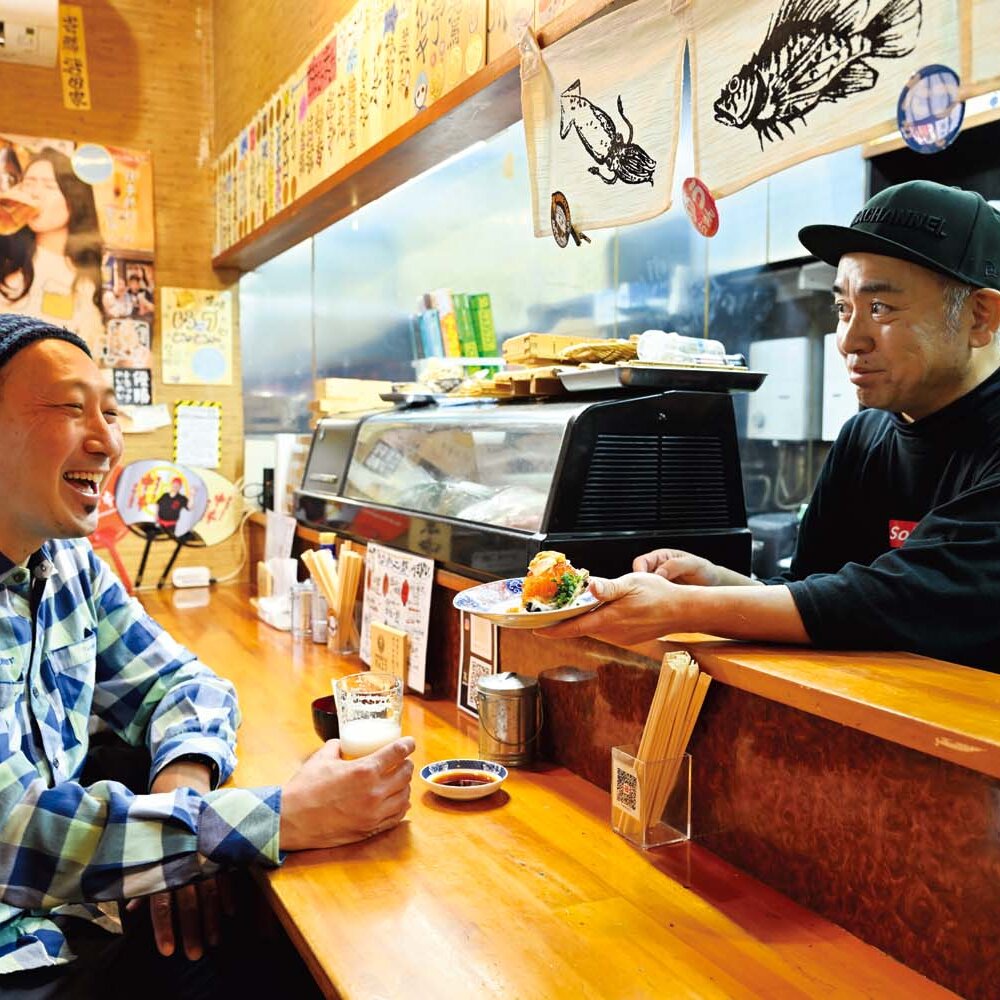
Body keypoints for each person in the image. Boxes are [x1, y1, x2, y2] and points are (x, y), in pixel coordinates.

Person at [0, 315, 415, 992]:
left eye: (109, 411)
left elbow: (184, 683)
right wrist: (275, 819)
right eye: (71, 408)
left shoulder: (66, 563)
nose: (108, 441)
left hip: (81, 923)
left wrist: (182, 801)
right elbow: (17, 834)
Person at [542, 180, 1000, 672]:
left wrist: (682, 608)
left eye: (881, 308)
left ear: (979, 317)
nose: (848, 340)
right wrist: (719, 582)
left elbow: (900, 599)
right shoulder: (864, 437)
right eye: (843, 308)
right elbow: (820, 598)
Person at [0, 148, 105, 356]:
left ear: (74, 199)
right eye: (29, 183)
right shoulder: (8, 258)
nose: (35, 193)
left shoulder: (85, 278)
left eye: (49, 186)